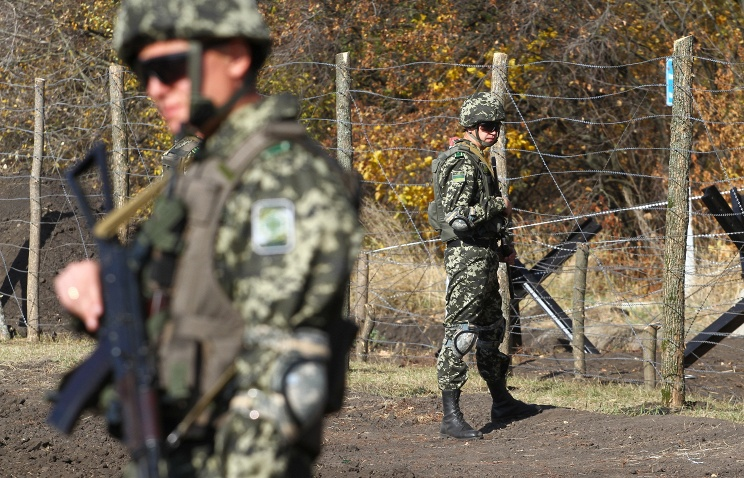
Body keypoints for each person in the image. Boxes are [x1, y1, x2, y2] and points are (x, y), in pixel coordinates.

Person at [54, 0, 362, 476]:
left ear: (236, 58)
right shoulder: (205, 172)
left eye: (169, 67)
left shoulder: (283, 179)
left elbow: (279, 381)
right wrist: (105, 294)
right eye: (142, 73)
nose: (155, 88)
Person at [429, 92, 540, 440]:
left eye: (496, 126)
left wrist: (504, 243)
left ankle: (502, 401)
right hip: (467, 256)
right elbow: (459, 220)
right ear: (472, 128)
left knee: (492, 329)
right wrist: (499, 204)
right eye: (486, 127)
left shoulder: (479, 158)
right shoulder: (462, 162)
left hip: (486, 255)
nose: (493, 132)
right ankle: (451, 416)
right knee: (461, 334)